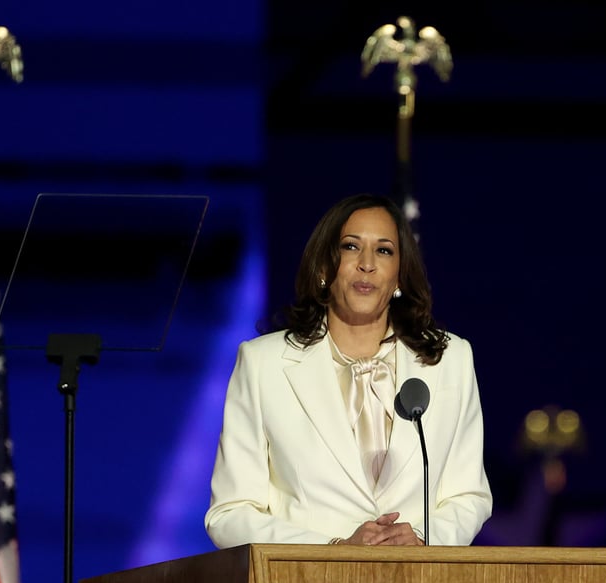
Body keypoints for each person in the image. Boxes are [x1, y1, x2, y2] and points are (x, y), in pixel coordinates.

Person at [205, 192, 492, 547]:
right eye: (351, 247)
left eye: (384, 250)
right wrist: (333, 551)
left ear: (400, 275)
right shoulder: (263, 363)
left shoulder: (452, 360)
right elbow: (230, 514)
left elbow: (469, 497)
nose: (367, 264)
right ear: (324, 267)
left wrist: (423, 540)